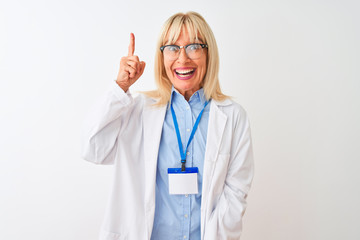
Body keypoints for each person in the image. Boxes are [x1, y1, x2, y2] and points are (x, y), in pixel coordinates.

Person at [82, 11, 254, 240]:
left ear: (208, 54)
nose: (182, 59)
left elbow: (235, 193)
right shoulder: (137, 109)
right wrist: (120, 87)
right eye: (172, 48)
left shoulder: (233, 117)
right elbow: (93, 149)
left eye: (194, 46)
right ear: (162, 57)